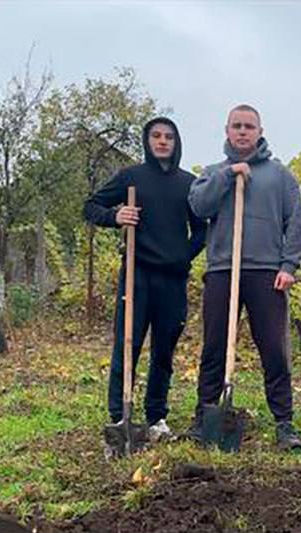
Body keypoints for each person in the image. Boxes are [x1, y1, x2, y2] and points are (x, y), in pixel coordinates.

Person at [187, 104, 301, 451]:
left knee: (274, 349)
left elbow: (294, 222)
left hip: (267, 272)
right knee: (214, 346)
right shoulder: (213, 173)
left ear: (260, 132)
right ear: (227, 130)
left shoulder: (280, 176)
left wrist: (289, 266)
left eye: (249, 126)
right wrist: (229, 176)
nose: (242, 131)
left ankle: (284, 423)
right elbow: (199, 207)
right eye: (237, 126)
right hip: (223, 270)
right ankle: (205, 417)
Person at [83, 117, 206, 448]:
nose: (162, 141)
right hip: (137, 275)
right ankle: (119, 415)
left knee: (164, 349)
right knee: (128, 343)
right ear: (147, 141)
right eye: (156, 136)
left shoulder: (188, 183)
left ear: (176, 142)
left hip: (173, 278)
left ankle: (156, 416)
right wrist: (115, 216)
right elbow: (90, 206)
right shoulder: (131, 177)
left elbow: (201, 230)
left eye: (168, 136)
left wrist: (183, 256)